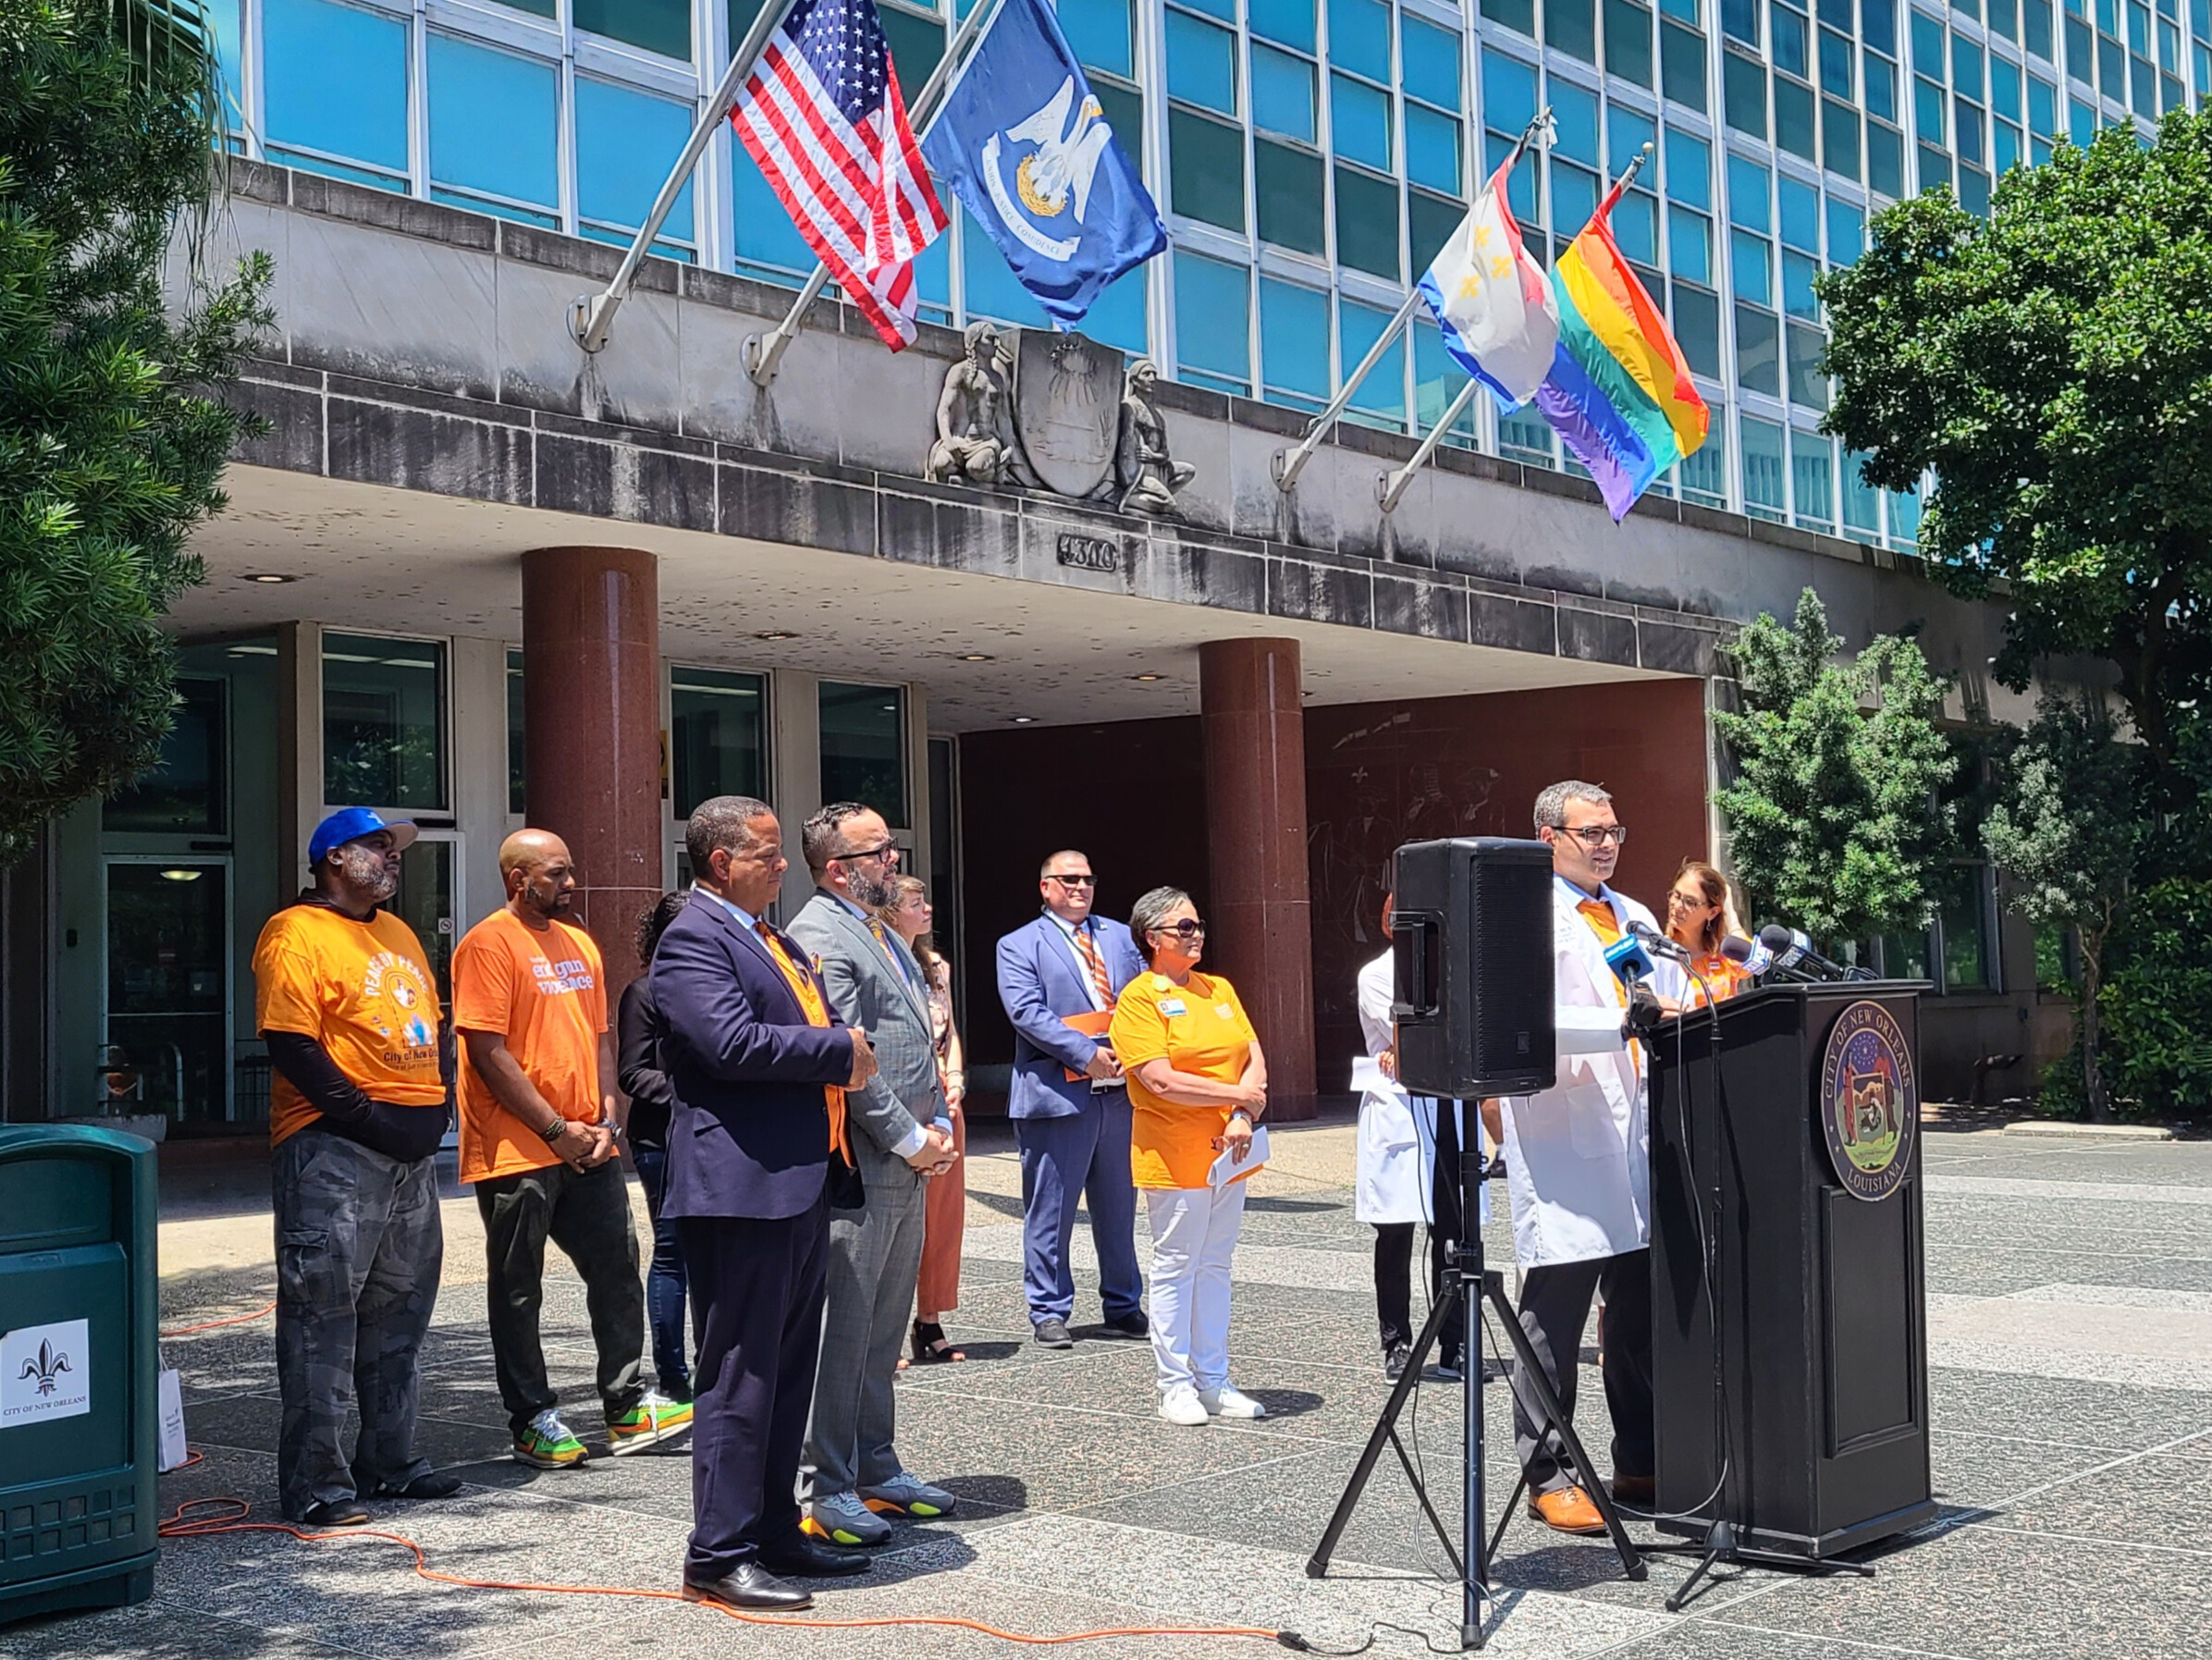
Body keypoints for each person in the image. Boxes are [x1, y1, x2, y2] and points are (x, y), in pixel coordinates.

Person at [652, 795, 880, 1612]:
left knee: (787, 1370)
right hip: (742, 1186)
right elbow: (730, 1043)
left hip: (800, 1179)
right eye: (770, 854)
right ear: (722, 862)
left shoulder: (769, 937)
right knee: (739, 1374)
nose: (784, 866)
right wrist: (839, 1049)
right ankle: (716, 1554)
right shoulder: (693, 939)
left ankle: (775, 1529)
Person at [452, 830, 692, 1469]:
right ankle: (532, 1416)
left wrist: (608, 1116)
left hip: (590, 1143)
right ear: (517, 879)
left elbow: (601, 1038)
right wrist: (556, 1128)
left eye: (571, 871)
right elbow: (487, 1051)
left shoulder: (580, 942)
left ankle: (625, 1401)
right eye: (557, 874)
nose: (571, 884)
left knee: (617, 1266)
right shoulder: (488, 944)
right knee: (517, 1284)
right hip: (518, 1148)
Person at [252, 807, 461, 1527]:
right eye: (378, 847)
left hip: (410, 1154)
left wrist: (438, 1110)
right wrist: (368, 1118)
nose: (393, 858)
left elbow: (434, 1029)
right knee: (322, 1318)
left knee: (400, 1313)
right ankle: (317, 1483)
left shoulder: (399, 932)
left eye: (393, 849)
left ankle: (391, 1462)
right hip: (333, 1149)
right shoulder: (295, 932)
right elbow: (293, 1044)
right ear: (334, 858)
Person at [789, 804, 960, 1548]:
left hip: (911, 1158)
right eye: (880, 850)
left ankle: (875, 1465)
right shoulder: (821, 934)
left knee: (885, 1328)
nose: (895, 860)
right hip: (864, 1164)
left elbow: (906, 1038)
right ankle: (826, 1484)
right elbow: (846, 1058)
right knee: (848, 1330)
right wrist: (906, 1132)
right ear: (838, 868)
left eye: (892, 849)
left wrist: (937, 1125)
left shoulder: (880, 930)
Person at [1498, 781, 1659, 1535]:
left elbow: (1668, 997)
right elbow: (1525, 1017)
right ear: (1546, 837)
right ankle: (1549, 1469)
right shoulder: (1522, 914)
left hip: (1642, 1133)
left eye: (1614, 829)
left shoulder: (1636, 915)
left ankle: (1643, 1455)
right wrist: (1619, 1022)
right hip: (1567, 1132)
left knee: (1639, 1312)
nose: (1606, 843)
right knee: (1553, 1313)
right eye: (1589, 831)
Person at [1110, 887, 1268, 1427]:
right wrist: (1236, 1099)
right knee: (1177, 1264)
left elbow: (1252, 1059)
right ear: (1152, 937)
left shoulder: (1217, 989)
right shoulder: (1139, 998)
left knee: (1216, 1263)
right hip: (1173, 1150)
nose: (1195, 934)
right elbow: (1159, 1079)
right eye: (1183, 927)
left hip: (1231, 1146)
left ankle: (1214, 1379)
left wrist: (1244, 1114)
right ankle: (1174, 1385)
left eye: (1198, 925)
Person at [995, 850, 1148, 1349]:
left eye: (1087, 879)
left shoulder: (1122, 936)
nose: (1080, 887)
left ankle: (1124, 1304)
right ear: (1046, 887)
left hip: (1119, 1095)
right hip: (1058, 1094)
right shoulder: (1019, 944)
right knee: (1051, 1208)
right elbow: (1026, 1011)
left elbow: (1144, 996)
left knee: (1119, 1206)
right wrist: (1086, 1055)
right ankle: (1049, 1309)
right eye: (1069, 879)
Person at [1354, 891, 1466, 1383]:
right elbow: (1413, 1036)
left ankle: (1456, 1344)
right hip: (1399, 1110)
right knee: (1396, 1236)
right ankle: (1395, 1342)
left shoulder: (1456, 971)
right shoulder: (1377, 975)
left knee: (1455, 1234)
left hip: (1448, 1108)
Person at [881, 875, 968, 1366]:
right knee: (898, 1218)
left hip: (943, 1096)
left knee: (942, 1217)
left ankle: (930, 1318)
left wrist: (955, 1080)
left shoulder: (936, 968)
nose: (928, 908)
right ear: (892, 912)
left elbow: (950, 1032)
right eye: (916, 902)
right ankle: (884, 1329)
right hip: (901, 1097)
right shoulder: (882, 962)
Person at [618, 891, 695, 1404]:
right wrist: (695, 1096)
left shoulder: (717, 986)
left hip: (715, 1139)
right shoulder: (643, 993)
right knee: (673, 1252)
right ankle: (673, 1377)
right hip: (661, 1139)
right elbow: (633, 1073)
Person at [1653, 858, 1755, 1009]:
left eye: (1690, 902)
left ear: (1712, 912)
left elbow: (1754, 959)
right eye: (1676, 895)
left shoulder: (1723, 956)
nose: (1678, 906)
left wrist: (1730, 913)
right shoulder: (1659, 953)